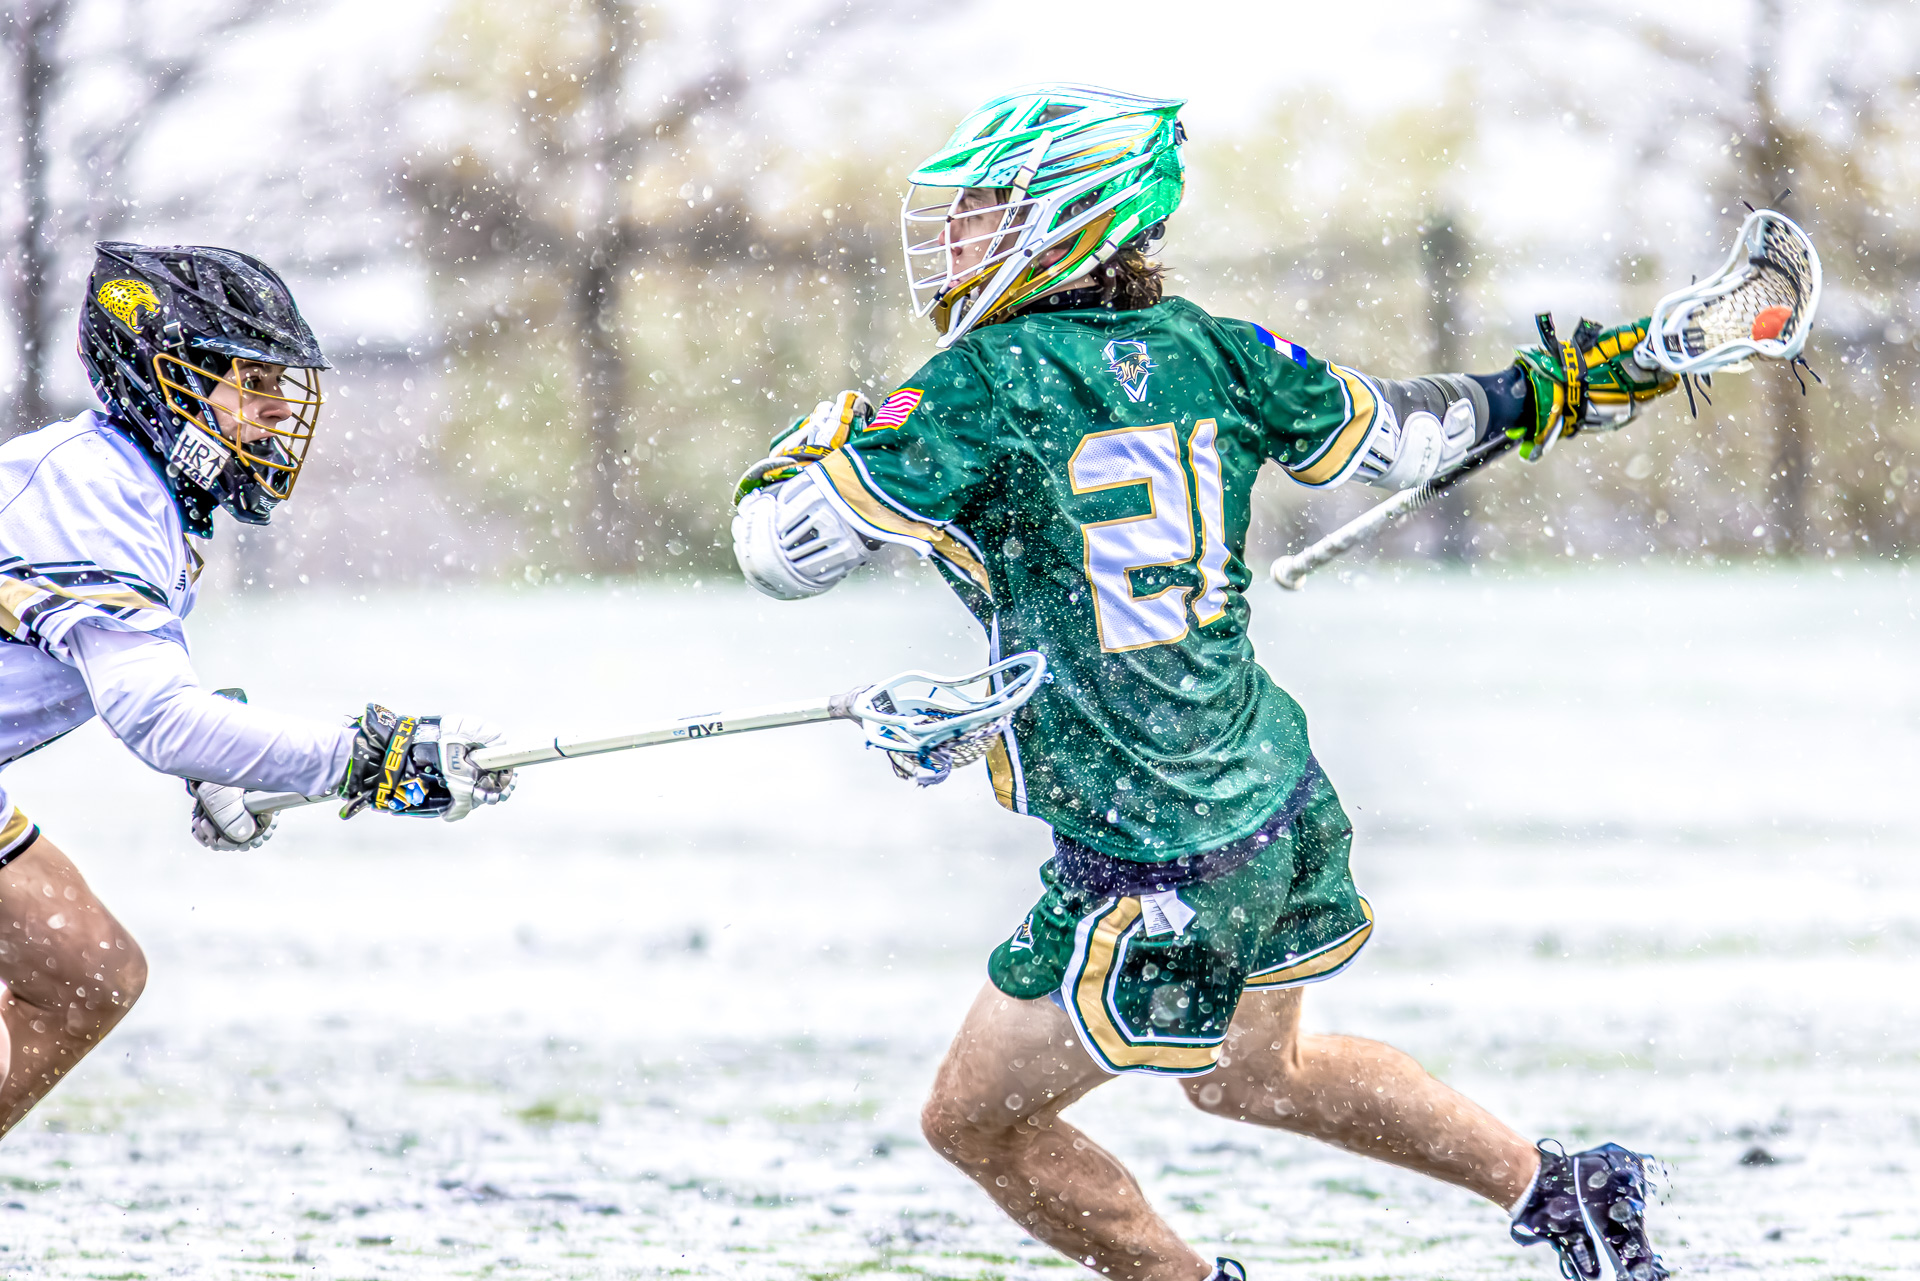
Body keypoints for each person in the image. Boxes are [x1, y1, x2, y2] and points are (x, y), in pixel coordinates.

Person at [730, 86, 1677, 1281]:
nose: (954, 241)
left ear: (1062, 221)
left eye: (979, 213)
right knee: (1254, 1075)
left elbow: (782, 552)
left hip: (1155, 844)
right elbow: (1416, 434)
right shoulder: (1218, 351)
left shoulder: (982, 381)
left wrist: (809, 449)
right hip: (1271, 797)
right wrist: (1570, 383)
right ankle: (1564, 1191)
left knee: (975, 1123)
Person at [0, 242, 515, 1137]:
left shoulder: (138, 487)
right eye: (252, 381)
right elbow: (156, 717)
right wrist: (359, 760)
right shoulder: (95, 489)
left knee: (86, 973)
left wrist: (214, 761)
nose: (278, 414)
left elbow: (146, 685)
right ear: (166, 380)